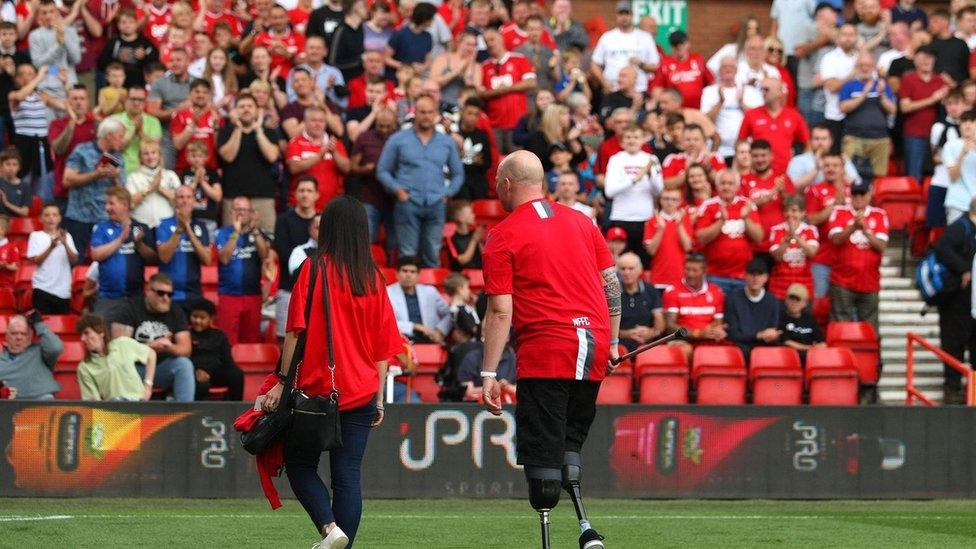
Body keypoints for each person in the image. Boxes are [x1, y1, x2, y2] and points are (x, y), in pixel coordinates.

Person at [480, 150, 618, 549]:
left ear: (507, 184)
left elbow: (500, 309)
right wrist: (612, 340)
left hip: (547, 352)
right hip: (592, 350)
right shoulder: (583, 221)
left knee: (542, 466)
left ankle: (550, 538)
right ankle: (585, 530)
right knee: (569, 446)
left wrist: (489, 374)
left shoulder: (503, 234)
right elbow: (611, 285)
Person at [260, 195, 401, 549]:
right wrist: (380, 398)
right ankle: (343, 544)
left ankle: (328, 528)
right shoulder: (373, 277)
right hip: (363, 391)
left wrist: (280, 381)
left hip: (318, 388)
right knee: (348, 476)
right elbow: (385, 347)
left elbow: (294, 330)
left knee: (299, 465)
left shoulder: (314, 267)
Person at [376, 95, 464, 268]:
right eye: (422, 112)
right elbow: (382, 170)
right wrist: (397, 190)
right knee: (407, 254)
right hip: (407, 203)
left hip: (436, 203)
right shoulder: (398, 139)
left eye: (430, 112)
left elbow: (458, 174)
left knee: (432, 253)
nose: (426, 116)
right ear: (415, 112)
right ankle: (406, 295)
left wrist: (448, 193)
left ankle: (431, 293)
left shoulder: (446, 142)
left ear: (436, 114)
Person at [113, 272, 195, 402]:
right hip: (136, 368)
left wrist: (169, 347)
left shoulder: (176, 311)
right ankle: (126, 415)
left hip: (161, 367)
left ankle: (185, 415)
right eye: (161, 293)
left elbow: (186, 350)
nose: (166, 298)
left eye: (170, 294)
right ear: (148, 291)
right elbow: (119, 350)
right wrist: (150, 347)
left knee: (184, 365)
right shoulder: (128, 309)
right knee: (119, 367)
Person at [827, 180, 889, 332]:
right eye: (855, 193)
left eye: (862, 193)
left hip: (869, 281)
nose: (859, 197)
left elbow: (881, 246)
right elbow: (836, 239)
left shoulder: (879, 214)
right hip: (842, 281)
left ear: (869, 194)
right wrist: (853, 226)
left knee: (870, 329)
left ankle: (870, 357)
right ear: (850, 194)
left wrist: (866, 229)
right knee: (841, 327)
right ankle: (840, 356)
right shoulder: (839, 211)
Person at [63, 117, 127, 262]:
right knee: (76, 261)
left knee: (104, 261)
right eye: (120, 136)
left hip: (105, 217)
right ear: (109, 135)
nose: (122, 140)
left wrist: (116, 177)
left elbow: (123, 192)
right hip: (79, 216)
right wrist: (96, 174)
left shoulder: (118, 158)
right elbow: (67, 179)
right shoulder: (82, 150)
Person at [90, 186, 157, 324]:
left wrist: (139, 245)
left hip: (136, 298)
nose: (107, 208)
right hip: (107, 299)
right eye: (106, 204)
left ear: (125, 205)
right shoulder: (101, 228)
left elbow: (153, 259)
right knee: (103, 338)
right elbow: (95, 254)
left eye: (111, 203)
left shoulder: (141, 227)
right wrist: (120, 240)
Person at [217, 92, 280, 233]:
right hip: (234, 198)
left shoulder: (268, 132)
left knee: (266, 241)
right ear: (234, 111)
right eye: (241, 106)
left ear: (257, 110)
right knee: (232, 243)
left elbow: (272, 156)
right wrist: (237, 128)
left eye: (250, 106)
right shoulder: (226, 132)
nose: (246, 109)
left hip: (263, 197)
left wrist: (258, 130)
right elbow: (228, 156)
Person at [694, 170, 764, 296]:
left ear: (737, 186)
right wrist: (720, 222)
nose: (726, 187)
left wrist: (745, 218)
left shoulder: (747, 205)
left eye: (730, 183)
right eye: (723, 183)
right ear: (717, 186)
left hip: (743, 276)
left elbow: (759, 237)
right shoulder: (709, 205)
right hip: (716, 275)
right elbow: (701, 238)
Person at [935, 197, 976, 404]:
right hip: (955, 299)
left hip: (972, 301)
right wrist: (964, 269)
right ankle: (952, 389)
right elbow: (941, 248)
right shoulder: (961, 227)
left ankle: (973, 390)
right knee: (953, 344)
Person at [604, 123, 663, 264]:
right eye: (628, 137)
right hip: (620, 217)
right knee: (619, 262)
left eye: (636, 137)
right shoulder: (616, 159)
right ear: (622, 141)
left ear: (642, 139)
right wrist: (634, 179)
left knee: (644, 262)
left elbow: (659, 190)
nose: (632, 140)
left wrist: (650, 176)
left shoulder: (651, 159)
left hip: (645, 218)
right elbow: (609, 192)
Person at [216, 196, 271, 346]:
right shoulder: (222, 233)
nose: (241, 213)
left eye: (245, 210)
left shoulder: (259, 233)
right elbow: (224, 258)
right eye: (237, 209)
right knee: (227, 343)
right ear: (232, 211)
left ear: (251, 213)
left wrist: (254, 230)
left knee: (251, 342)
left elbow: (264, 255)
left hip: (253, 295)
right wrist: (236, 232)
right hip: (228, 295)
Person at [274, 175, 319, 341]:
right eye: (301, 190)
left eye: (309, 190)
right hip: (289, 289)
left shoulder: (325, 220)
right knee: (285, 338)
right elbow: (283, 253)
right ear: (295, 194)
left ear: (317, 195)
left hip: (317, 294)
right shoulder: (284, 220)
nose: (305, 194)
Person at [477, 26, 536, 153]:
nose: (490, 44)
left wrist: (507, 88)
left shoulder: (519, 59)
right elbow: (481, 94)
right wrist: (499, 91)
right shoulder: (484, 67)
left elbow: (531, 82)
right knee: (497, 163)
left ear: (501, 39)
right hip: (494, 124)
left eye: (492, 39)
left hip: (517, 123)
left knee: (516, 163)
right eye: (486, 42)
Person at [839, 52, 897, 178]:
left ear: (874, 67)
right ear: (856, 67)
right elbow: (843, 108)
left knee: (879, 176)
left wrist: (881, 95)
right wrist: (863, 94)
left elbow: (892, 109)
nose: (864, 68)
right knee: (848, 174)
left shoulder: (883, 86)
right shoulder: (849, 86)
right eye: (861, 65)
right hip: (854, 137)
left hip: (880, 139)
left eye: (868, 65)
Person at [662, 253, 727, 366]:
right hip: (683, 340)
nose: (690, 274)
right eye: (687, 269)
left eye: (695, 270)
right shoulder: (672, 291)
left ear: (704, 271)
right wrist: (697, 333)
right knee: (684, 351)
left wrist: (717, 332)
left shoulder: (717, 291)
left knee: (723, 353)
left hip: (708, 339)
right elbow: (670, 326)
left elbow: (718, 322)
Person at [899, 45, 951, 184]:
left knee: (938, 171)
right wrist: (931, 99)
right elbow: (904, 107)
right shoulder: (908, 79)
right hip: (914, 133)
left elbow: (953, 102)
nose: (927, 61)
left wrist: (949, 86)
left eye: (930, 58)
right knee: (914, 173)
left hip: (937, 134)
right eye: (923, 58)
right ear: (915, 60)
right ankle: (913, 203)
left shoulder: (939, 80)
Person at [76, 313, 156, 401]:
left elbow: (151, 354)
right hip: (113, 408)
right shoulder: (84, 367)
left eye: (86, 333)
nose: (82, 338)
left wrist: (148, 385)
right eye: (81, 334)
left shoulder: (123, 343)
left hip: (139, 402)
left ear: (100, 332)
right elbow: (94, 402)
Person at [738, 76, 809, 175]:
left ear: (779, 92)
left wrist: (800, 166)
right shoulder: (751, 114)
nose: (763, 92)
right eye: (762, 89)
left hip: (786, 173)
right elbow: (740, 142)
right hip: (757, 173)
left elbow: (807, 143)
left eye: (766, 89)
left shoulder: (794, 116)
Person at [740, 139, 795, 265]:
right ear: (750, 157)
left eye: (763, 155)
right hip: (753, 245)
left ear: (771, 156)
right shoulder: (744, 180)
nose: (760, 160)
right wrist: (769, 196)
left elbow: (793, 207)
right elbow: (742, 208)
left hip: (779, 243)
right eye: (755, 156)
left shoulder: (783, 179)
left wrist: (783, 193)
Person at [156, 185, 212, 308]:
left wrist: (188, 230)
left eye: (188, 197)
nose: (185, 200)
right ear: (175, 201)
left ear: (193, 201)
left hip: (194, 293)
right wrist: (179, 230)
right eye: (181, 197)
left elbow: (207, 260)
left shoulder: (201, 226)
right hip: (168, 294)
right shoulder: (164, 224)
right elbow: (164, 257)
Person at [805, 152, 851, 298]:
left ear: (843, 168)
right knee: (819, 303)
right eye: (827, 165)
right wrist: (834, 206)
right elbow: (811, 220)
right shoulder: (814, 190)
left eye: (835, 165)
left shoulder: (854, 191)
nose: (831, 169)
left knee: (845, 306)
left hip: (846, 260)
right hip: (822, 258)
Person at [285, 105, 349, 209]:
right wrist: (319, 156)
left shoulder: (336, 143)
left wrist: (334, 153)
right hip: (301, 207)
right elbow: (293, 168)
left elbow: (347, 168)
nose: (317, 124)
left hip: (331, 207)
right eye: (313, 121)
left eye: (321, 121)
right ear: (305, 122)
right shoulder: (295, 142)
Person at [590, 1, 659, 94]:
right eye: (621, 14)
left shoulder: (645, 37)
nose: (624, 17)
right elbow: (594, 64)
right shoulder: (607, 37)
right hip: (613, 89)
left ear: (632, 15)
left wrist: (641, 64)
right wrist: (604, 83)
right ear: (616, 15)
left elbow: (655, 66)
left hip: (638, 90)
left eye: (627, 13)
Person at [724, 258, 782, 360]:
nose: (755, 278)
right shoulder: (733, 298)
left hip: (764, 348)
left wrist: (772, 335)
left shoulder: (772, 300)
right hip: (741, 348)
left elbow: (773, 330)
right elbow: (733, 334)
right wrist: (758, 335)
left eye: (759, 274)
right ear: (745, 276)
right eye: (752, 274)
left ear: (766, 277)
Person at [49, 83, 95, 210]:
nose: (79, 102)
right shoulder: (57, 124)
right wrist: (72, 123)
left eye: (82, 98)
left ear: (88, 102)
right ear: (68, 102)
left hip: (89, 191)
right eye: (74, 99)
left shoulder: (95, 125)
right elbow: (59, 148)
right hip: (64, 192)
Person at [387, 255, 452, 344]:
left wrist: (440, 331)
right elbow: (385, 322)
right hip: (401, 340)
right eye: (404, 271)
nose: (408, 275)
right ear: (397, 274)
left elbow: (449, 313)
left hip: (430, 338)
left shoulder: (430, 291)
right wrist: (414, 326)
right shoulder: (388, 293)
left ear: (418, 275)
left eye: (413, 272)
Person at [189, 298, 244, 401]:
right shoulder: (186, 335)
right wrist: (196, 371)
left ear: (211, 318)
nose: (197, 320)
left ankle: (235, 409)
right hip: (194, 374)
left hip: (214, 373)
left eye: (202, 317)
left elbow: (228, 361)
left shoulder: (220, 335)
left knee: (237, 374)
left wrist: (208, 372)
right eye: (194, 316)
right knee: (201, 384)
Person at [27, 203, 77, 314]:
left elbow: (74, 260)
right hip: (42, 288)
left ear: (59, 218)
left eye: (54, 215)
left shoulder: (67, 236)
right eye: (47, 215)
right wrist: (51, 247)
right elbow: (37, 261)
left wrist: (65, 244)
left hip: (63, 291)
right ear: (40, 218)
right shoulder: (35, 236)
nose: (51, 218)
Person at [147, 48, 191, 169]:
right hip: (167, 133)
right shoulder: (160, 83)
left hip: (192, 131)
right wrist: (177, 111)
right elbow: (152, 112)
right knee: (166, 169)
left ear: (188, 61)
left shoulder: (197, 82)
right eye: (172, 60)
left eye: (179, 60)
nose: (175, 63)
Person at [0, 313, 62, 399]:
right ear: (6, 336)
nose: (19, 337)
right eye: (14, 333)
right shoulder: (1, 359)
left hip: (41, 402)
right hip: (10, 406)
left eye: (23, 334)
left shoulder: (40, 352)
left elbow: (55, 347)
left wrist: (39, 324)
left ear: (30, 336)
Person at [768, 195, 819, 300]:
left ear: (802, 213)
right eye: (787, 210)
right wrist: (787, 240)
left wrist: (795, 236)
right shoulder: (776, 230)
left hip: (804, 287)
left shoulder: (810, 230)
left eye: (794, 210)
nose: (790, 214)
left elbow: (811, 252)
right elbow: (777, 257)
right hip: (779, 288)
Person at [787, 123, 862, 192]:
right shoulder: (799, 160)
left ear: (831, 141)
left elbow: (858, 184)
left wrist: (842, 170)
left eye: (824, 139)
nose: (820, 143)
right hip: (809, 201)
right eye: (816, 139)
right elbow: (791, 187)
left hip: (836, 199)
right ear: (810, 141)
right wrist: (816, 169)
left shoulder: (840, 158)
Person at [125, 140, 181, 229]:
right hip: (141, 225)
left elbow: (180, 201)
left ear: (159, 155)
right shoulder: (133, 177)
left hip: (167, 225)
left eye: (153, 153)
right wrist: (149, 189)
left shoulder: (170, 175)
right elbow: (130, 203)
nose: (150, 157)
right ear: (140, 157)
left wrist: (160, 188)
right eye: (146, 154)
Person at [652, 30, 713, 110]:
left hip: (698, 110)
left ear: (688, 43)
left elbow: (711, 82)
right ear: (671, 46)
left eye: (682, 43)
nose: (679, 47)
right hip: (675, 112)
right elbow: (657, 88)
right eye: (675, 45)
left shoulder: (698, 60)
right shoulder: (664, 63)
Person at [701, 56, 747, 161]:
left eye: (731, 66)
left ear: (736, 70)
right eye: (724, 67)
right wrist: (720, 103)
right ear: (719, 70)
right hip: (718, 150)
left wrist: (742, 103)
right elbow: (704, 120)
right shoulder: (709, 91)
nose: (728, 69)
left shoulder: (746, 90)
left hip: (742, 150)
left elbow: (755, 117)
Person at [616, 252, 664, 352]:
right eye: (623, 269)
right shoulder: (612, 293)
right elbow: (606, 325)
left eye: (631, 268)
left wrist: (652, 332)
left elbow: (660, 320)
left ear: (640, 270)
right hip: (620, 345)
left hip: (648, 344)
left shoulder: (651, 290)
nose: (626, 272)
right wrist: (627, 334)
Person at [111, 85, 163, 176]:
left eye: (140, 100)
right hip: (121, 171)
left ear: (145, 102)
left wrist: (140, 132)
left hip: (147, 173)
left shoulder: (153, 121)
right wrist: (133, 132)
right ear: (126, 100)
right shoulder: (114, 120)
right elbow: (116, 147)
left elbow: (155, 149)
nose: (136, 103)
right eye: (133, 99)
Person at [777, 282, 825, 363]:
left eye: (798, 300)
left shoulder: (810, 319)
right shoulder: (780, 317)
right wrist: (809, 348)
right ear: (786, 300)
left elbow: (822, 343)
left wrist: (817, 348)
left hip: (811, 359)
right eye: (791, 299)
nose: (794, 303)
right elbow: (786, 342)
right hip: (788, 359)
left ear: (805, 303)